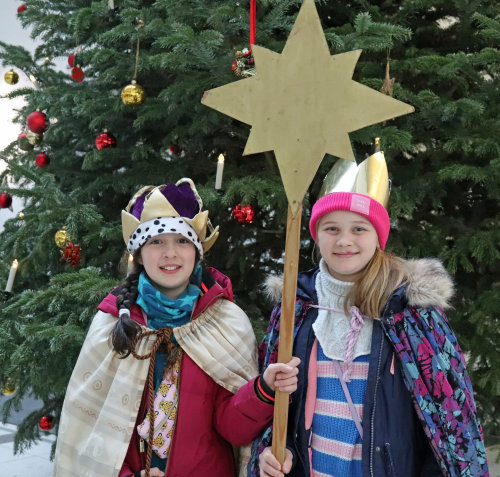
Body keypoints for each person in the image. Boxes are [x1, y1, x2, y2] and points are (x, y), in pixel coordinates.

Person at [249, 155, 489, 477]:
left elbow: (449, 422)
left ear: (378, 236)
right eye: (331, 228)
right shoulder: (297, 306)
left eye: (359, 228)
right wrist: (276, 454)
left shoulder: (410, 313)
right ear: (316, 235)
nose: (344, 240)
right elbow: (279, 412)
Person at [54, 178, 299, 477]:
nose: (170, 253)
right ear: (139, 253)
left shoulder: (226, 323)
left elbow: (233, 430)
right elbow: (90, 429)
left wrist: (263, 390)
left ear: (197, 251)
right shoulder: (113, 322)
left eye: (182, 241)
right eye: (156, 241)